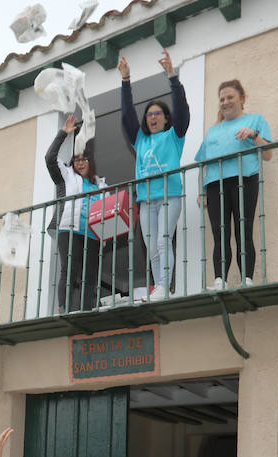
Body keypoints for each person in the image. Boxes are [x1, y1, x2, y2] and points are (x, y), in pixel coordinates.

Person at [119, 50, 189, 302]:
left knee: (162, 241)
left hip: (169, 195)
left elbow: (182, 110)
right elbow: (127, 115)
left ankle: (162, 287)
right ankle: (159, 287)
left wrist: (173, 77)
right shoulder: (140, 139)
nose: (153, 117)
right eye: (149, 114)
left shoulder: (174, 136)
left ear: (166, 118)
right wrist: (126, 81)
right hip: (147, 199)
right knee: (151, 247)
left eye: (158, 113)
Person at [194, 79, 273, 289]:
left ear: (241, 99)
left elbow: (268, 154)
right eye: (221, 99)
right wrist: (201, 191)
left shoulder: (255, 120)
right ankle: (220, 280)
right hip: (214, 184)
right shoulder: (212, 131)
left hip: (244, 179)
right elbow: (203, 164)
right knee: (220, 233)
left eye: (230, 97)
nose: (225, 102)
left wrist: (253, 135)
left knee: (243, 229)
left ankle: (246, 279)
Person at [45, 114, 107, 313]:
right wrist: (63, 134)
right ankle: (63, 309)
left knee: (90, 275)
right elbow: (49, 158)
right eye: (77, 160)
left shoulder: (100, 184)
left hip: (93, 234)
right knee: (69, 271)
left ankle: (87, 310)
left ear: (91, 162)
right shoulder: (67, 175)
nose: (80, 163)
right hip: (69, 230)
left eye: (84, 159)